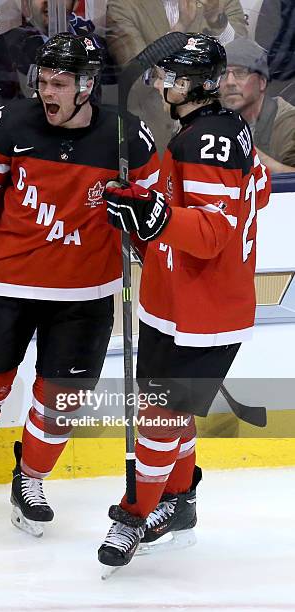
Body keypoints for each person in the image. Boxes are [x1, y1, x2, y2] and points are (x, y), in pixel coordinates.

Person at [0, 32, 160, 537]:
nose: (48, 91)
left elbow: (151, 220)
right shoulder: (10, 124)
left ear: (87, 86)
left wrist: (147, 233)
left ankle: (31, 478)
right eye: (42, 81)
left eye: (60, 83)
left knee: (60, 398)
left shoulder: (127, 138)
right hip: (4, 283)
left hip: (84, 294)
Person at [96, 33, 271, 572]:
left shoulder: (206, 139)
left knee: (158, 419)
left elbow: (214, 232)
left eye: (167, 75)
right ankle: (179, 504)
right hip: (174, 301)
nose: (158, 83)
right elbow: (257, 189)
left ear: (193, 83)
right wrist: (148, 213)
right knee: (167, 414)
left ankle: (135, 515)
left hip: (205, 312)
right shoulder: (220, 130)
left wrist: (156, 217)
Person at [105, 0, 248, 153]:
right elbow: (135, 81)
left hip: (218, 138)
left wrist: (217, 19)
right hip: (154, 139)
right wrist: (180, 28)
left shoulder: (221, 2)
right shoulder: (123, 5)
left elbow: (245, 61)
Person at [0, 0, 99, 131]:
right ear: (27, 5)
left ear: (76, 3)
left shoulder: (97, 46)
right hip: (28, 146)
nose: (50, 2)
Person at [220, 38, 295, 173]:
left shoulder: (289, 124)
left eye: (241, 73)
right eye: (224, 74)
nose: (229, 82)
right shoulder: (212, 120)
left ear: (262, 82)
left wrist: (252, 154)